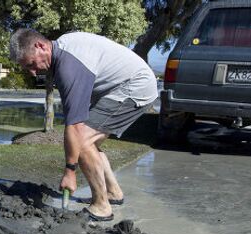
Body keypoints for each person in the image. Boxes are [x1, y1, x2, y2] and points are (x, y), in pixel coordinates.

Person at [10, 29, 158, 221]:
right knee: (89, 141)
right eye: (27, 68)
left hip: (135, 86)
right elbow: (73, 116)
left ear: (40, 46)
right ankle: (113, 192)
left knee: (84, 142)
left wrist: (69, 172)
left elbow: (75, 126)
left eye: (31, 63)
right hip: (119, 88)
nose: (32, 71)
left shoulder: (68, 65)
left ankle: (102, 206)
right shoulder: (61, 53)